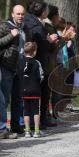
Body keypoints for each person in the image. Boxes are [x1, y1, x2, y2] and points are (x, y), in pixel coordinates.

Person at [0, 5, 26, 139]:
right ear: (12, 14)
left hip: (19, 68)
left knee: (17, 98)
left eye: (22, 14)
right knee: (4, 99)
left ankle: (16, 125)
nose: (21, 16)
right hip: (6, 67)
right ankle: (2, 128)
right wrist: (11, 35)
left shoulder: (23, 28)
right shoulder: (5, 26)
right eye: (18, 14)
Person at [20, 42, 43, 138]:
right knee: (36, 111)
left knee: (26, 111)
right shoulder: (37, 63)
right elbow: (41, 76)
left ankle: (27, 131)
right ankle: (37, 131)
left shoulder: (20, 62)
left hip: (24, 90)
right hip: (35, 89)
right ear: (34, 52)